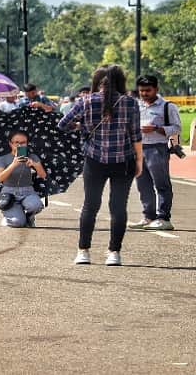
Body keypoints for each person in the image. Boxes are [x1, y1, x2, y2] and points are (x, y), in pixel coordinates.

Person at [58, 64, 142, 266]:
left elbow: (62, 124)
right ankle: (114, 253)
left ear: (98, 83)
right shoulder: (130, 103)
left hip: (94, 160)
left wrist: (81, 126)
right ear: (121, 82)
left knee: (90, 205)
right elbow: (136, 135)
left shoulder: (85, 101)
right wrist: (139, 161)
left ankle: (83, 251)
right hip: (124, 160)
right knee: (118, 207)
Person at [128, 75, 181, 231]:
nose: (144, 94)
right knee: (143, 184)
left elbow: (177, 128)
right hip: (138, 148)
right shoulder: (137, 106)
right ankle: (148, 216)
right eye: (142, 91)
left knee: (161, 183)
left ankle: (164, 217)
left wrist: (157, 129)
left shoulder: (167, 106)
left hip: (157, 147)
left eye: (148, 90)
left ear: (156, 89)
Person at [0, 130, 47, 227]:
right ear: (10, 143)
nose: (20, 145)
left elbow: (43, 175)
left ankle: (29, 217)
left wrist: (34, 165)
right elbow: (0, 178)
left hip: (27, 190)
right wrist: (13, 165)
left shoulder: (32, 157)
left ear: (27, 143)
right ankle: (11, 216)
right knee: (17, 222)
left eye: (23, 143)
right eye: (16, 142)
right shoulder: (2, 159)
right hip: (9, 192)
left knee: (36, 205)